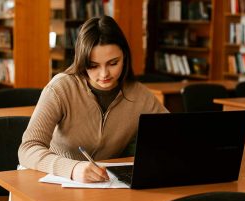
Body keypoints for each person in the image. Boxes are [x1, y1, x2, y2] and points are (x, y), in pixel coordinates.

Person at [18, 15, 168, 183]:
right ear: (82, 61)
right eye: (93, 65)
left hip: (103, 184)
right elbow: (27, 149)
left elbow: (174, 134)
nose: (104, 74)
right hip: (53, 179)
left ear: (124, 57)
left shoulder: (139, 95)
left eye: (113, 63)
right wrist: (73, 168)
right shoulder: (60, 88)